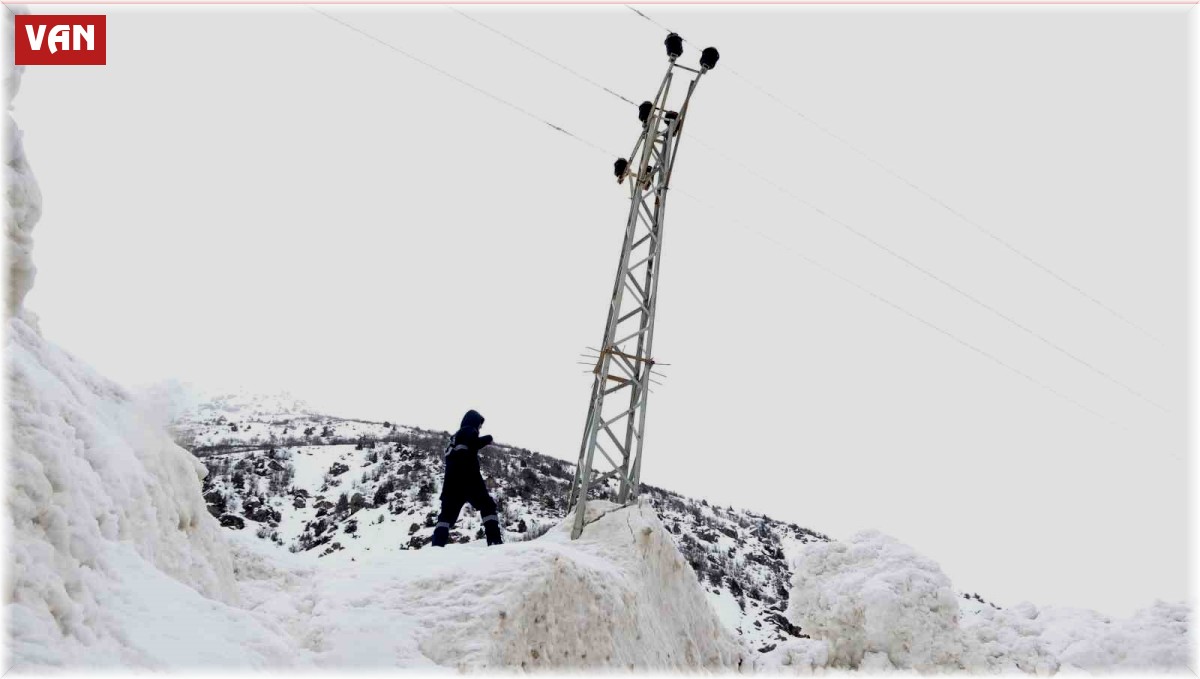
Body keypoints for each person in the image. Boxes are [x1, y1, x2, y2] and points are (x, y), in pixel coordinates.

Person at [431, 409, 503, 547]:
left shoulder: (453, 438)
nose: (480, 428)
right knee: (488, 506)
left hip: (450, 484)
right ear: (473, 422)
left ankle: (436, 547)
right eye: (479, 425)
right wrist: (488, 438)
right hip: (468, 478)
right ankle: (495, 543)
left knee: (445, 518)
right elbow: (472, 444)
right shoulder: (468, 430)